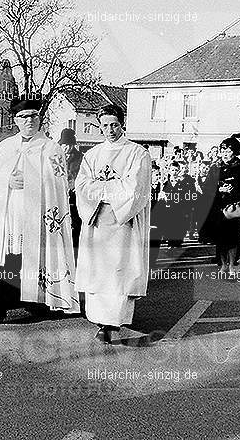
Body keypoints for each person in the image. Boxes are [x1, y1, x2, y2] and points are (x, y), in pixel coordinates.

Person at [0, 97, 80, 322]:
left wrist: (32, 179)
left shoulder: (51, 148)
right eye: (24, 117)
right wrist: (6, 180)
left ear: (39, 118)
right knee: (10, 257)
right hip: (10, 214)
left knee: (36, 258)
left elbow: (59, 185)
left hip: (38, 216)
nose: (29, 120)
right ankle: (0, 305)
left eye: (33, 116)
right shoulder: (6, 146)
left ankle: (40, 302)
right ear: (15, 120)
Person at [75, 104, 151, 344]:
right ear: (100, 126)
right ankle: (100, 319)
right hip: (97, 221)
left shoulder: (137, 153)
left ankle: (112, 323)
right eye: (105, 125)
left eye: (114, 125)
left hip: (122, 222)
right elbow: (82, 186)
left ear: (122, 123)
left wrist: (102, 191)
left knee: (118, 271)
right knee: (99, 271)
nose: (110, 130)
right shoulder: (93, 154)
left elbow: (136, 188)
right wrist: (108, 191)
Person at [207, 137, 240, 278]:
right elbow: (207, 187)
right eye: (223, 150)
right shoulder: (215, 166)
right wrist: (219, 190)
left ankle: (231, 264)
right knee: (220, 238)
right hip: (218, 206)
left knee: (233, 237)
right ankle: (223, 263)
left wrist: (234, 189)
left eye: (229, 150)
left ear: (235, 151)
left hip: (235, 207)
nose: (225, 153)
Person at [58, 128, 84, 259]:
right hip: (59, 196)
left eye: (69, 145)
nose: (66, 148)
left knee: (75, 226)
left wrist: (73, 186)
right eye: (64, 145)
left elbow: (82, 177)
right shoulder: (56, 158)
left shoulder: (80, 158)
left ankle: (75, 253)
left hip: (74, 197)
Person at [160, 161, 195, 247]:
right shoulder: (165, 182)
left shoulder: (182, 183)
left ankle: (177, 242)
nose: (174, 172)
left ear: (178, 171)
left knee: (178, 225)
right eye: (172, 170)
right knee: (169, 224)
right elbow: (163, 193)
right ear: (169, 171)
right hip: (168, 207)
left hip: (179, 208)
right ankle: (170, 242)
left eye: (176, 170)